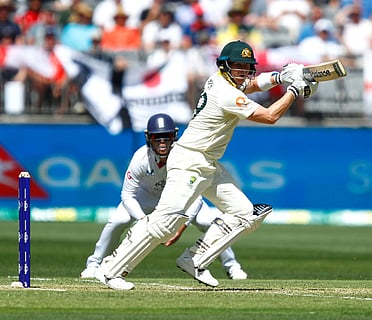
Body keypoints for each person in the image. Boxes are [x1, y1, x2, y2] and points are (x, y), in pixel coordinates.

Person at [95, 40, 318, 290]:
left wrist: (280, 77)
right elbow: (269, 116)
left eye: (247, 67)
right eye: (237, 66)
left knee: (244, 213)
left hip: (207, 162)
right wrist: (294, 90)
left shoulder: (221, 81)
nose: (243, 72)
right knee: (164, 223)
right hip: (189, 160)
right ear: (224, 67)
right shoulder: (226, 93)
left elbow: (251, 84)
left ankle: (195, 260)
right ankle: (109, 270)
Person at [81, 113, 248, 283]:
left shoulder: (183, 157)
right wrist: (144, 220)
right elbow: (127, 195)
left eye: (166, 137)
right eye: (157, 137)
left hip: (182, 199)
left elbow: (195, 196)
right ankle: (93, 265)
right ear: (148, 137)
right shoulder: (141, 158)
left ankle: (232, 266)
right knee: (117, 221)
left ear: (173, 136)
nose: (162, 142)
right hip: (146, 199)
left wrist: (181, 226)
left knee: (208, 222)